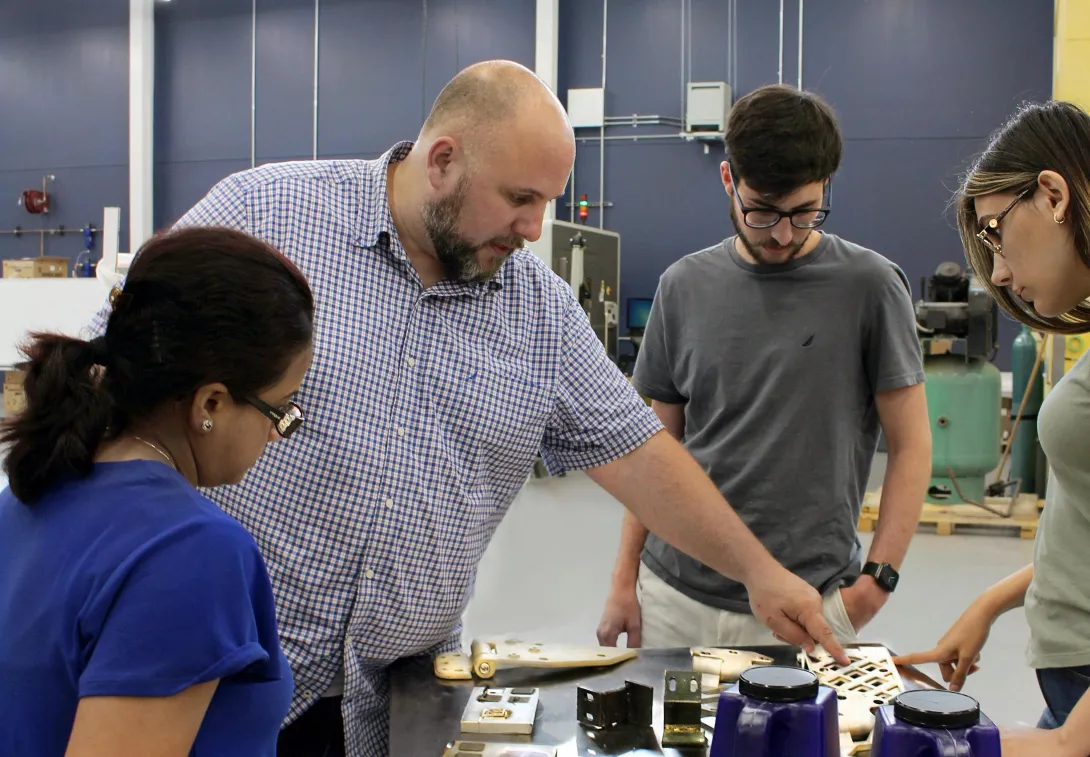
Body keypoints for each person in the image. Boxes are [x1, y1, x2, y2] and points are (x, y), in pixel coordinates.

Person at [86, 60, 850, 757]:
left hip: (395, 702)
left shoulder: (539, 313)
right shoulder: (270, 213)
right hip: (219, 683)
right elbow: (113, 366)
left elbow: (639, 453)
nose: (533, 229)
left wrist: (757, 571)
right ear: (443, 159)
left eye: (545, 203)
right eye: (520, 199)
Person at [596, 84, 932, 650]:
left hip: (806, 601)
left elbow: (912, 444)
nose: (781, 233)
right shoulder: (682, 288)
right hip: (675, 595)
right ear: (729, 180)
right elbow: (654, 448)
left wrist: (876, 584)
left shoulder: (870, 287)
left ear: (826, 185)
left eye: (803, 213)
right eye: (761, 211)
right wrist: (624, 579)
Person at [0, 227, 315, 756]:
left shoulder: (25, 498)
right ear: (210, 404)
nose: (277, 434)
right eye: (279, 409)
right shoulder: (191, 550)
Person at [894, 100, 1090, 757]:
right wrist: (993, 600)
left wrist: (1061, 743)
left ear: (1054, 195)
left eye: (997, 231)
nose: (998, 270)